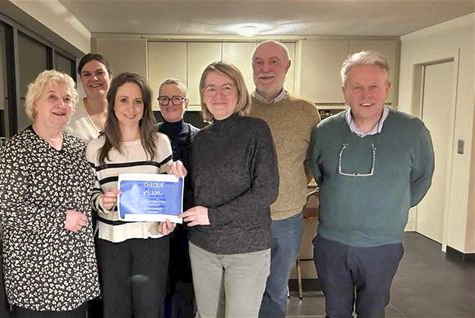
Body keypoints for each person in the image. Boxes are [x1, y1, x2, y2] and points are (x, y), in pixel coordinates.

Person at [307, 51, 435, 317]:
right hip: (332, 244)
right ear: (344, 91)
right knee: (335, 312)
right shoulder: (325, 131)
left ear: (387, 88)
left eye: (374, 87)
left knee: (373, 311)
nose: (366, 95)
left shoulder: (412, 131)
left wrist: (392, 204)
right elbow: (319, 174)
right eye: (357, 87)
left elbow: (422, 178)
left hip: (382, 245)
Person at [0, 70, 100, 317]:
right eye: (52, 97)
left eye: (67, 99)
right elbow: (6, 209)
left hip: (75, 272)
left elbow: (88, 194)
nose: (62, 104)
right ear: (34, 104)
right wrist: (60, 219)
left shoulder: (78, 148)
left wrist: (102, 200)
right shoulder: (16, 150)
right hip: (36, 277)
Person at [181, 61, 279, 318]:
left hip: (247, 248)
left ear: (239, 92)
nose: (219, 95)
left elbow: (267, 190)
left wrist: (213, 216)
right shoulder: (200, 139)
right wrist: (175, 178)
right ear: (203, 95)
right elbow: (195, 194)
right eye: (211, 88)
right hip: (203, 247)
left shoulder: (256, 130)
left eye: (227, 87)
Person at [86, 72, 187, 318]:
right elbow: (90, 194)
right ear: (112, 103)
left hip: (152, 240)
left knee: (149, 310)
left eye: (138, 101)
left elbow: (167, 196)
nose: (131, 108)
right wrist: (103, 201)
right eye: (123, 100)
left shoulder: (160, 143)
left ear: (145, 106)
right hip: (112, 241)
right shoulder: (95, 148)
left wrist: (170, 220)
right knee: (115, 311)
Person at [250, 40, 321, 318]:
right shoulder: (238, 107)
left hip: (288, 219)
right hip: (247, 219)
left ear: (287, 66)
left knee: (277, 289)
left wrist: (291, 185)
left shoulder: (306, 110)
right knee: (246, 288)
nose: (265, 68)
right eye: (258, 61)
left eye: (273, 61)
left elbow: (312, 161)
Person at [156, 78, 199, 318]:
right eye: (164, 98)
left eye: (176, 98)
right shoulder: (147, 136)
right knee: (159, 289)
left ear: (186, 102)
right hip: (155, 226)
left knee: (185, 291)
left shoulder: (200, 138)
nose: (170, 103)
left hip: (189, 227)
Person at [65, 53, 112, 142]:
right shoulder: (69, 114)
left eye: (99, 73)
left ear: (110, 77)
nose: (94, 78)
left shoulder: (123, 112)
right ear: (81, 80)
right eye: (87, 74)